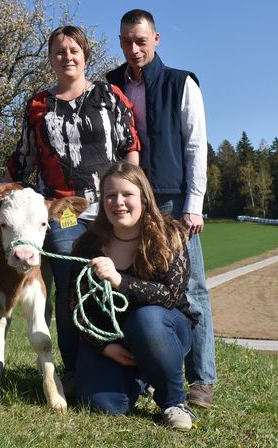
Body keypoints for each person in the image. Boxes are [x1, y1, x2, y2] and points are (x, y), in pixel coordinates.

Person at [5, 25, 140, 389]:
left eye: (73, 50)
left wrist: (133, 190)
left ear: (85, 56)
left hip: (111, 207)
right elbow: (24, 157)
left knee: (119, 278)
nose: (67, 56)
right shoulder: (37, 105)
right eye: (59, 51)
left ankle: (129, 358)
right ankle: (74, 367)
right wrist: (2, 188)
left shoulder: (110, 96)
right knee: (70, 283)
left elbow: (130, 144)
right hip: (60, 212)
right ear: (50, 58)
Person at [106, 9, 216, 408]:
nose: (133, 49)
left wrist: (194, 205)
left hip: (171, 199)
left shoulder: (180, 83)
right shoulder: (111, 84)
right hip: (128, 200)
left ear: (157, 39)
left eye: (140, 40)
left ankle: (201, 379)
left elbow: (195, 146)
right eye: (125, 41)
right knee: (138, 286)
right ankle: (149, 373)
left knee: (192, 287)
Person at [70, 161, 196, 430]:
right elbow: (76, 306)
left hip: (163, 330)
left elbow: (170, 295)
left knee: (147, 319)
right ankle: (143, 376)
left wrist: (119, 280)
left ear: (143, 197)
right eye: (110, 196)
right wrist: (104, 347)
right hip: (112, 339)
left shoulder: (170, 235)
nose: (119, 203)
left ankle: (173, 401)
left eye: (127, 195)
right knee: (105, 405)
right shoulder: (88, 245)